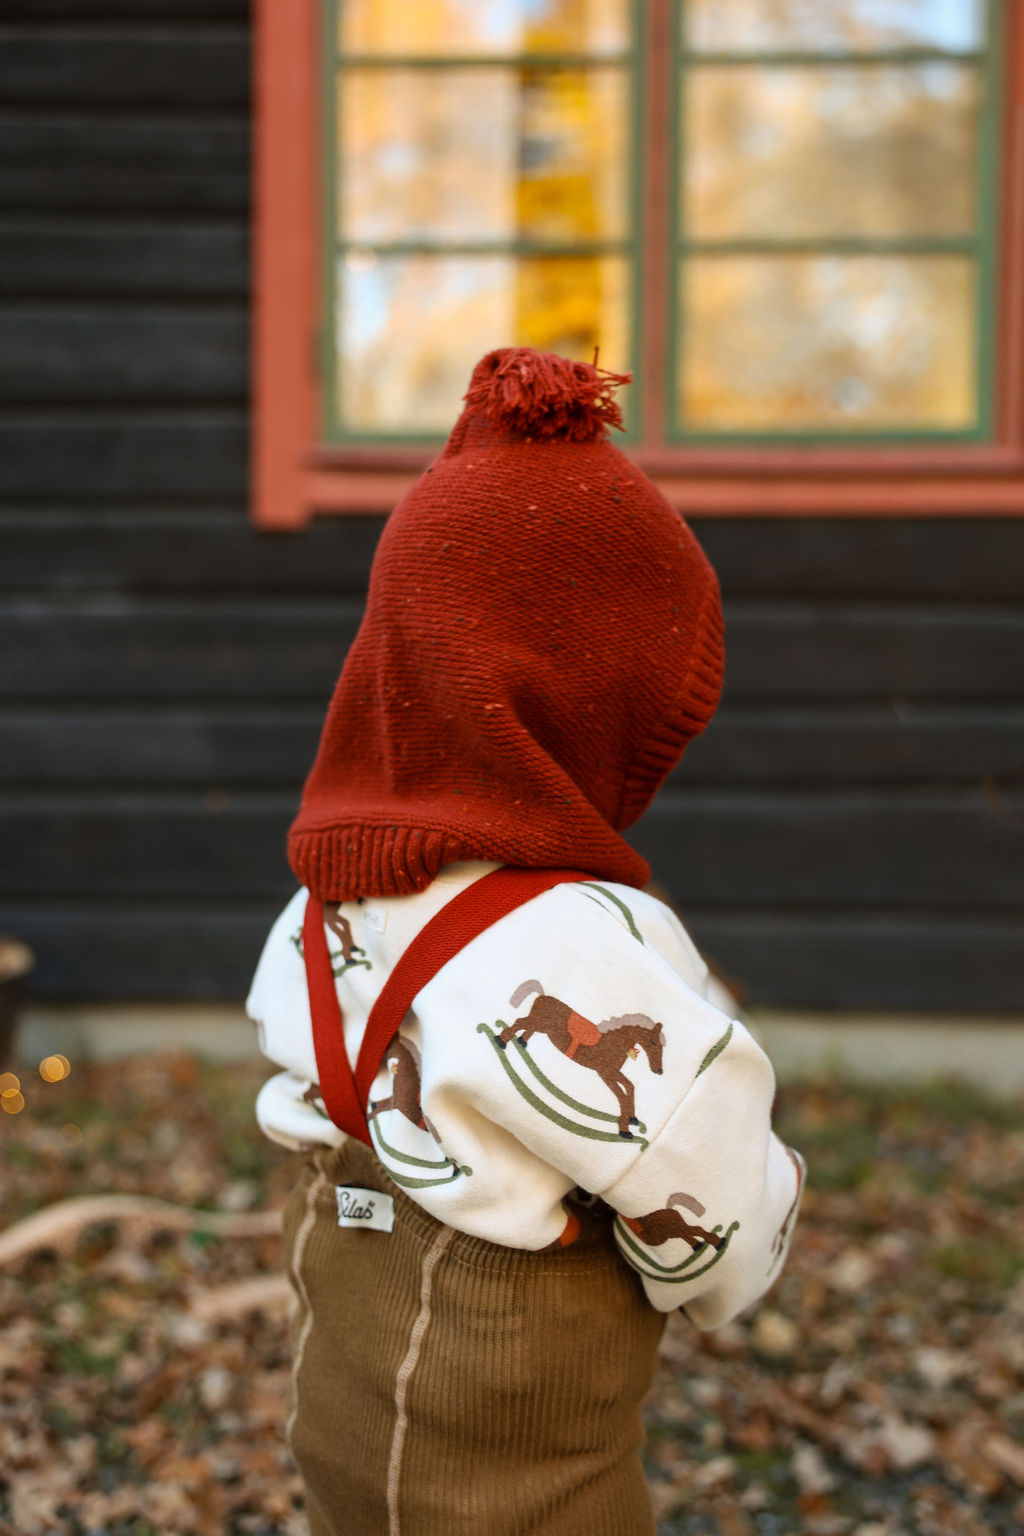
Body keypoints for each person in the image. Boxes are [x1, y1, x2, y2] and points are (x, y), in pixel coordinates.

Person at [246, 347, 804, 1536]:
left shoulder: (328, 891)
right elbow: (705, 1187)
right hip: (511, 1417)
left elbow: (290, 1044)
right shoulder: (581, 937)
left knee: (363, 1496)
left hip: (341, 1343)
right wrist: (731, 1253)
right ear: (583, 705)